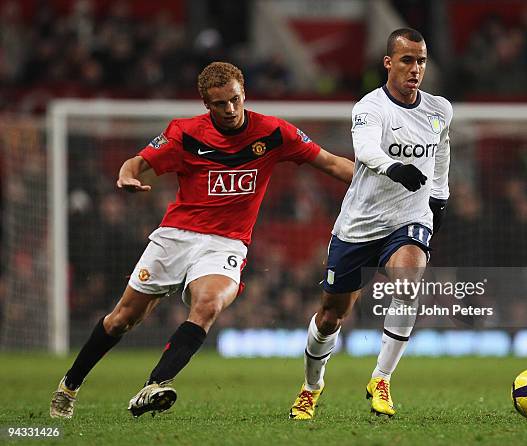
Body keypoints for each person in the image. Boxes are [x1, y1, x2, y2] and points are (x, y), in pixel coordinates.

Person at [50, 61, 354, 419]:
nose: (229, 110)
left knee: (208, 305)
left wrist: (379, 182)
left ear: (244, 93)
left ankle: (155, 385)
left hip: (226, 244)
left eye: (235, 100)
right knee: (122, 319)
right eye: (219, 104)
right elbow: (135, 163)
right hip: (176, 237)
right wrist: (126, 176)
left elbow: (333, 163)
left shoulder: (274, 133)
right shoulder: (184, 134)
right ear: (205, 105)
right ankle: (69, 386)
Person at [289, 28, 452, 419]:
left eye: (422, 61)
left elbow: (443, 151)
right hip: (360, 224)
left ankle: (381, 378)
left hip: (410, 217)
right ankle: (311, 387)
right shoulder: (370, 106)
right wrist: (396, 168)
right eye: (407, 60)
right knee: (331, 316)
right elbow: (364, 150)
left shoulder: (439, 109)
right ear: (389, 63)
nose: (416, 69)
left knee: (409, 284)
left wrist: (440, 197)